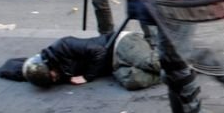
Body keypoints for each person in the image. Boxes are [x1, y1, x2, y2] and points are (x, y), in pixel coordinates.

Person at [13, 32, 159, 90]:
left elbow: (99, 51)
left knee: (150, 63)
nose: (55, 78)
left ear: (47, 64)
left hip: (120, 43)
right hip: (115, 65)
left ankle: (178, 64)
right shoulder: (47, 73)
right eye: (51, 80)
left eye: (52, 75)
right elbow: (11, 68)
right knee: (132, 82)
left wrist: (86, 77)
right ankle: (173, 74)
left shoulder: (64, 45)